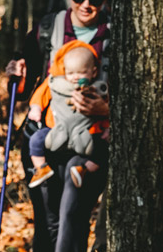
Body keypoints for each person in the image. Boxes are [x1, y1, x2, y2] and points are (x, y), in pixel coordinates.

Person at [6, 0, 111, 252]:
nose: (86, 5)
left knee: (71, 219)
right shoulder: (49, 27)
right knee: (47, 224)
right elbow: (27, 73)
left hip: (88, 146)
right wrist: (15, 72)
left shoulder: (115, 36)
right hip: (44, 143)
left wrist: (108, 109)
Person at [27, 41, 109, 190]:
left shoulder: (98, 89)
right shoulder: (54, 83)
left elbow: (105, 114)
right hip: (56, 130)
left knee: (103, 150)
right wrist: (36, 108)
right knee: (35, 140)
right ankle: (41, 168)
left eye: (82, 72)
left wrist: (107, 127)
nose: (76, 77)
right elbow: (40, 95)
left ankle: (84, 169)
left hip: (86, 134)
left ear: (94, 72)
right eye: (70, 73)